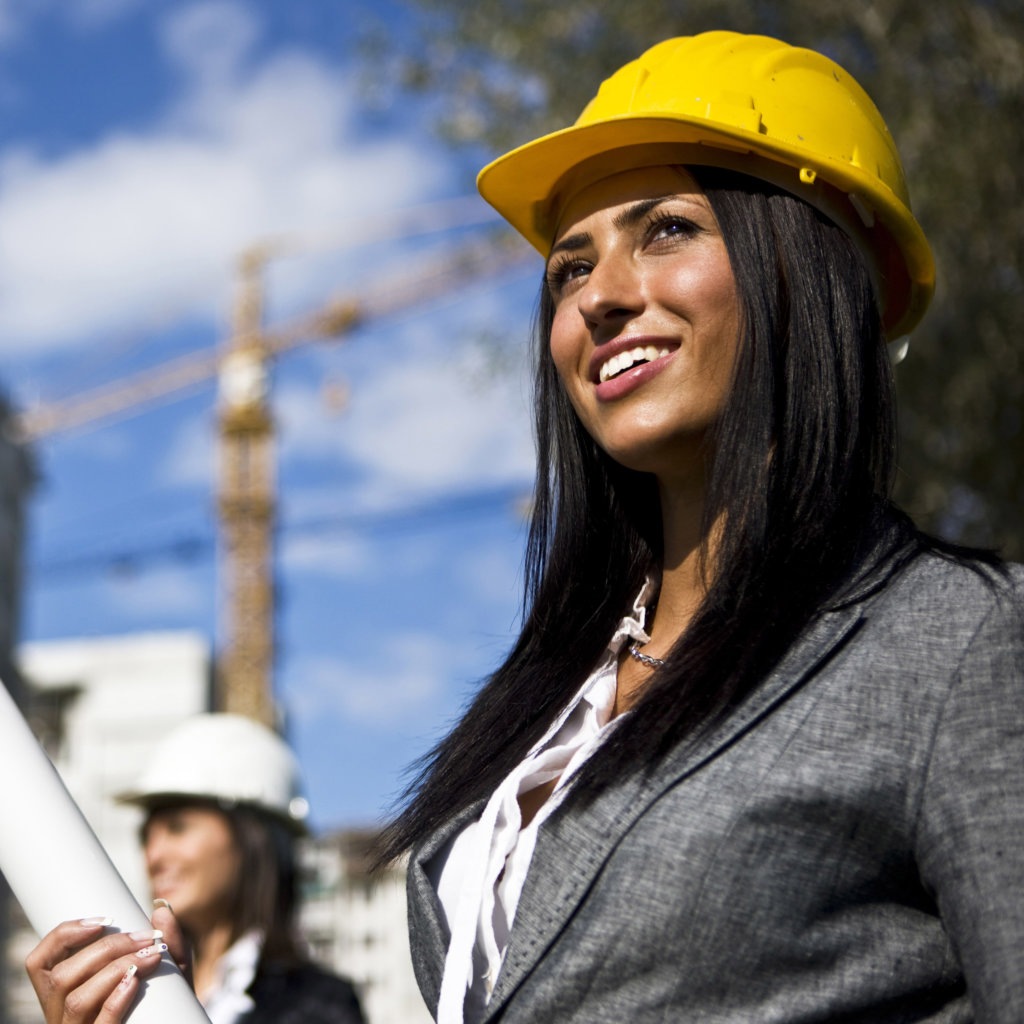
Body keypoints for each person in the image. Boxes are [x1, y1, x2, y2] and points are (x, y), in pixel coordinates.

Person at [370, 30, 1024, 1023]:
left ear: (807, 264)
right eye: (568, 267)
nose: (601, 295)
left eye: (665, 229)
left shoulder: (962, 640)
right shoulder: (555, 692)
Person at [26, 713, 366, 1024]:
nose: (153, 855)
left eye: (178, 828)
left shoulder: (320, 1005)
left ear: (254, 840)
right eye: (147, 836)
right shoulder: (134, 988)